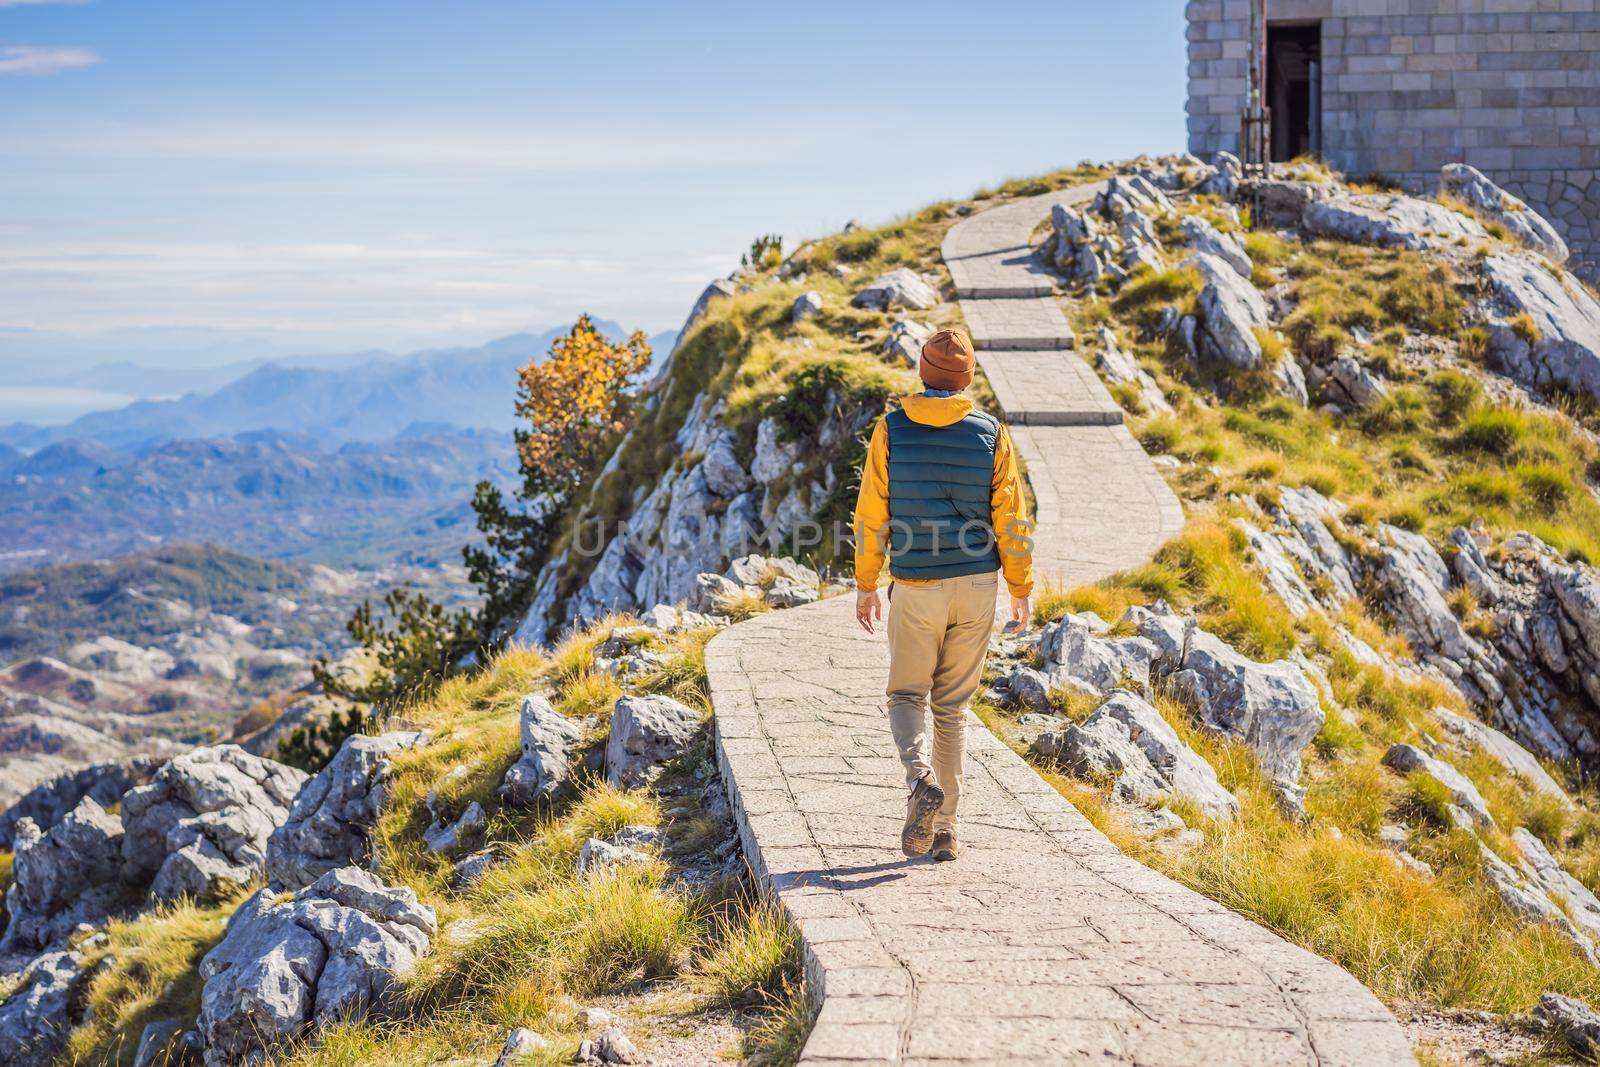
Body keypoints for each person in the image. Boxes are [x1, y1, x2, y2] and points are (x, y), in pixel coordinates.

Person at [852, 326, 1033, 862]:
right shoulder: (991, 433)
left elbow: (872, 514)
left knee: (907, 695)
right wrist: (1020, 586)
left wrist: (867, 584)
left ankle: (919, 781)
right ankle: (946, 829)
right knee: (951, 707)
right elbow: (1013, 520)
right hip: (978, 585)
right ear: (967, 377)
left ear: (924, 374)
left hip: (917, 583)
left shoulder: (891, 430)